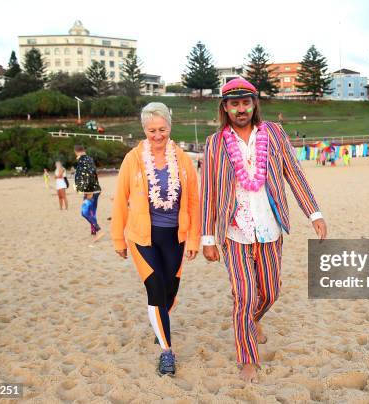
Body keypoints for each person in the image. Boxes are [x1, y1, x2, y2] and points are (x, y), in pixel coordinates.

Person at [200, 78, 327, 382]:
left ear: (254, 103)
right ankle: (248, 359)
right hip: (234, 232)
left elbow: (294, 173)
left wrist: (314, 212)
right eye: (234, 104)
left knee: (270, 292)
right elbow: (209, 192)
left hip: (270, 229)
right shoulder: (215, 142)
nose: (240, 109)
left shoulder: (275, 133)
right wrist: (207, 237)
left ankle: (253, 319)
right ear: (225, 107)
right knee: (243, 296)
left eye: (246, 102)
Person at [111, 102, 200, 377]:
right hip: (142, 237)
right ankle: (166, 351)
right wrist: (118, 239)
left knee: (170, 291)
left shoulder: (183, 160)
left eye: (162, 129)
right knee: (155, 288)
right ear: (144, 130)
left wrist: (195, 239)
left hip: (176, 236)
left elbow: (195, 202)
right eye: (152, 130)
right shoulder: (133, 159)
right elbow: (120, 199)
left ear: (169, 128)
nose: (157, 135)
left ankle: (160, 321)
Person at [74, 145, 103, 241]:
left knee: (85, 212)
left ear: (76, 151)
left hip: (91, 190)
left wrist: (88, 191)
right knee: (92, 212)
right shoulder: (90, 159)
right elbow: (94, 174)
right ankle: (94, 232)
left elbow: (88, 175)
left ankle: (98, 230)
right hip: (96, 189)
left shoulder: (82, 160)